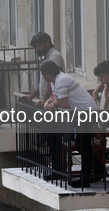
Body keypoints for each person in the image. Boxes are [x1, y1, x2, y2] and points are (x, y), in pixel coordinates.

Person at [40, 60, 105, 188]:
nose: (43, 78)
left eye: (43, 75)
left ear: (47, 74)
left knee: (84, 145)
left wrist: (52, 105)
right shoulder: (56, 81)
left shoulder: (61, 80)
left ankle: (86, 178)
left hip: (87, 113)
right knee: (82, 145)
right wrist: (49, 102)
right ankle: (99, 171)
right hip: (80, 114)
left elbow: (64, 104)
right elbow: (55, 97)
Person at [26, 33, 65, 108]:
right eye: (35, 47)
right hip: (47, 102)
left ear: (47, 43)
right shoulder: (48, 56)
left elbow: (51, 79)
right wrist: (32, 96)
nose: (37, 50)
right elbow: (44, 82)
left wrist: (44, 99)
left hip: (52, 103)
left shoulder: (54, 56)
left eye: (38, 46)